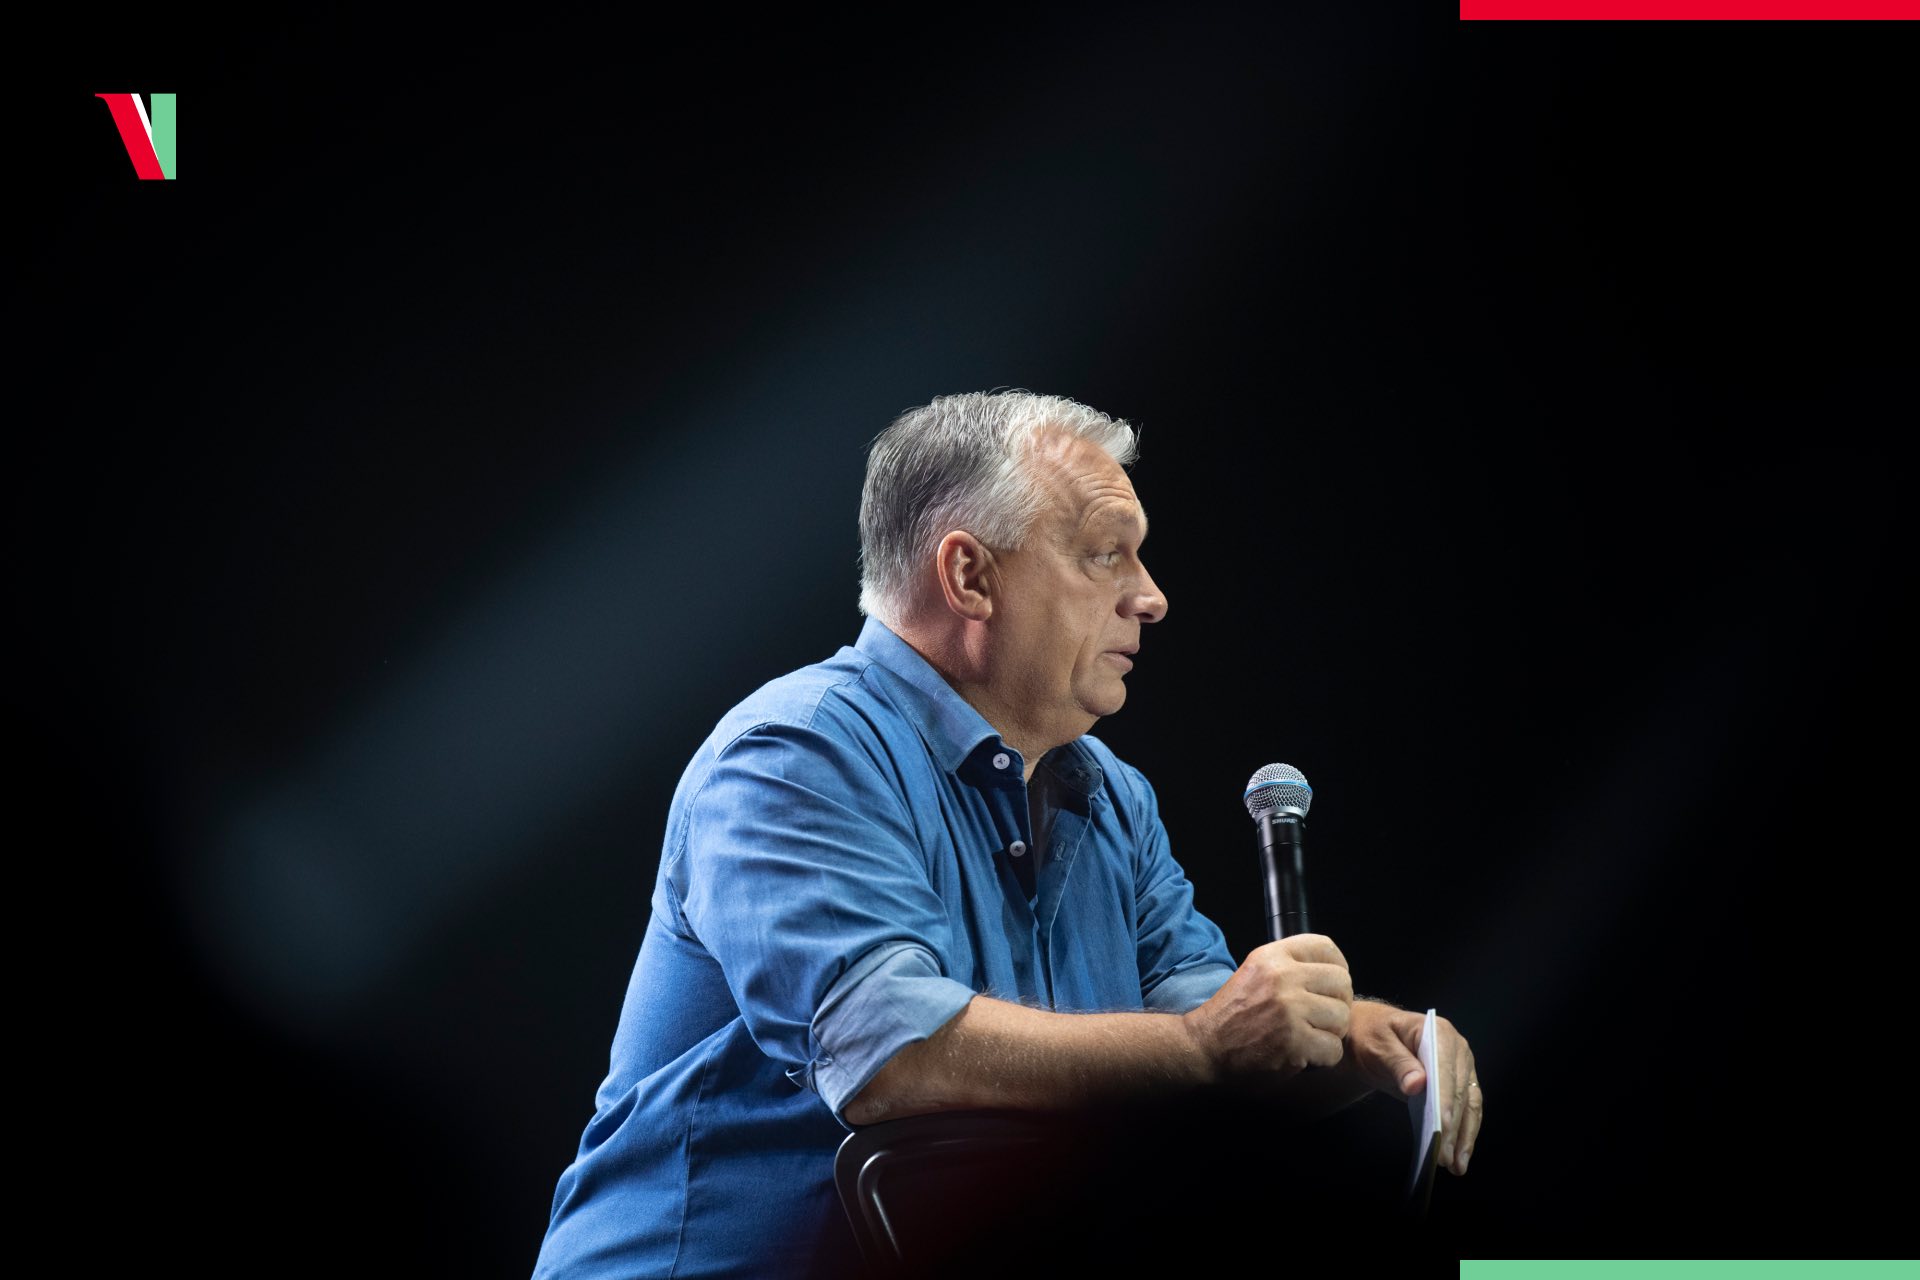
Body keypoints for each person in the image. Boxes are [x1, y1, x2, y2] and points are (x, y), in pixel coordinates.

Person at [532, 391, 1482, 1279]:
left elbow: (1221, 1042)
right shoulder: (794, 753)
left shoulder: (1112, 798)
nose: (1151, 596)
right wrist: (1205, 1047)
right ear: (969, 576)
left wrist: (1361, 1040)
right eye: (1105, 554)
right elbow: (892, 1058)